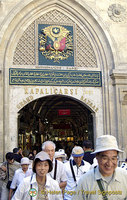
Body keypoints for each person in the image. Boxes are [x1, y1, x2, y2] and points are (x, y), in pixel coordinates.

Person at [72, 135, 127, 200]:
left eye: (113, 158)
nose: (109, 163)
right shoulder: (85, 181)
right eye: (105, 158)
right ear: (97, 157)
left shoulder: (124, 176)